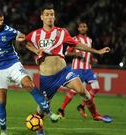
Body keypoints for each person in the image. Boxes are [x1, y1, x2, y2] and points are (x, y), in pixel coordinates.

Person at [25, 4, 112, 135]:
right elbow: (23, 42)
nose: (50, 17)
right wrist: (35, 50)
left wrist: (97, 52)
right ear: (42, 17)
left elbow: (77, 45)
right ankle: (40, 130)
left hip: (63, 71)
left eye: (52, 14)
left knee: (84, 92)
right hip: (47, 78)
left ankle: (95, 115)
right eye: (47, 14)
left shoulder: (62, 32)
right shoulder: (34, 34)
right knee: (42, 109)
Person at [57, 22, 111, 120]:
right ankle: (61, 109)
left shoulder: (89, 40)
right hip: (77, 68)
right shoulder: (74, 39)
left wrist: (92, 59)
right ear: (78, 28)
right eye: (81, 27)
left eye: (84, 26)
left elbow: (88, 53)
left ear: (87, 28)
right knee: (74, 90)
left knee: (96, 87)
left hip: (88, 68)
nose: (82, 28)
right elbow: (66, 53)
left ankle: (82, 106)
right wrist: (75, 54)